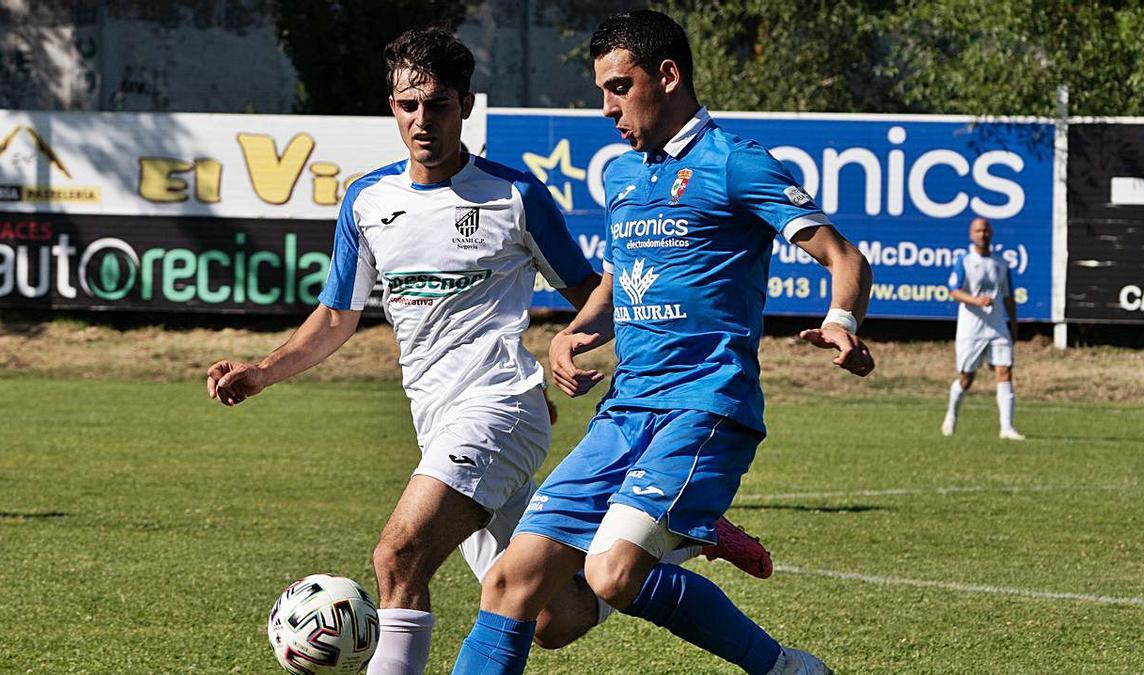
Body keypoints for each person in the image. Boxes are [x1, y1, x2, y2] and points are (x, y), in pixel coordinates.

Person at [206, 26, 772, 675]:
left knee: (400, 554)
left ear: (466, 105)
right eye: (407, 105)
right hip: (438, 421)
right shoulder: (368, 200)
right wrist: (262, 371)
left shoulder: (513, 196)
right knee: (549, 616)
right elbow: (337, 317)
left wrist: (582, 351)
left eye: (438, 104)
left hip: (500, 411)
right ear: (391, 107)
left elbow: (603, 292)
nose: (422, 120)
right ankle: (673, 543)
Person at [452, 10, 874, 675]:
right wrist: (575, 332)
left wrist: (843, 321)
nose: (606, 107)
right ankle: (681, 532)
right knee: (517, 593)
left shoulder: (733, 162)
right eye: (601, 91)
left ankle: (783, 665)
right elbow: (620, 284)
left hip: (704, 408)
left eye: (619, 87)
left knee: (613, 571)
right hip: (624, 413)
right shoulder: (622, 178)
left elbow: (843, 254)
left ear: (667, 75)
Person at [941, 216, 1024, 440]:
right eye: (978, 231)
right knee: (967, 377)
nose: (982, 234)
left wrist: (1013, 325)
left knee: (1005, 370)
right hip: (971, 328)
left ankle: (1007, 428)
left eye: (985, 230)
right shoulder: (965, 261)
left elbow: (1008, 297)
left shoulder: (1001, 264)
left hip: (997, 327)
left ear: (991, 234)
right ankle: (951, 414)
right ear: (971, 235)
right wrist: (976, 301)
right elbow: (954, 291)